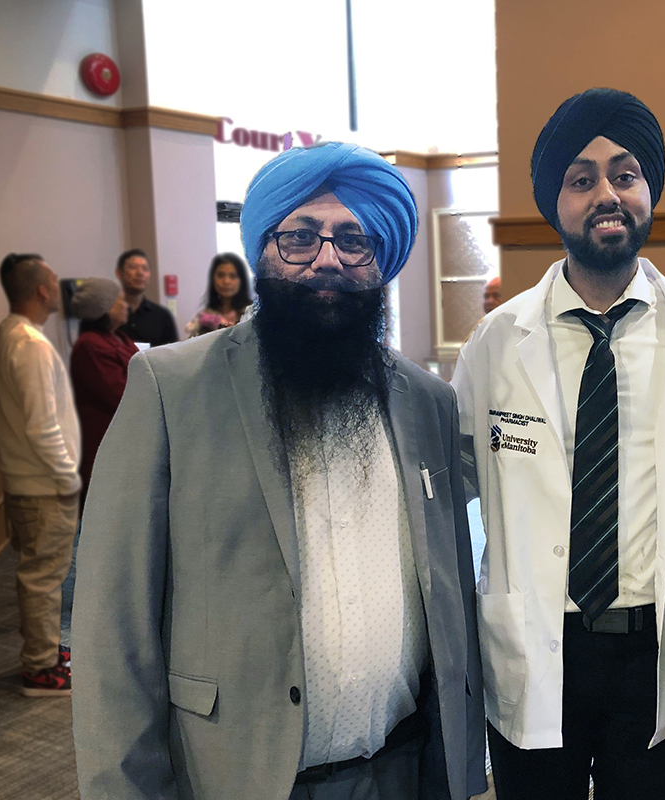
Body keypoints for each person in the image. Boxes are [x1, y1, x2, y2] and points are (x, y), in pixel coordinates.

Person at [71, 143, 487, 800]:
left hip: (406, 771)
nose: (328, 258)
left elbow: (452, 597)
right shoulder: (171, 389)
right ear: (263, 250)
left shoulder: (428, 403)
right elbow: (111, 626)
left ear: (382, 261)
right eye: (300, 238)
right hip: (240, 777)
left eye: (355, 240)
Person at [452, 88, 665, 800]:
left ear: (650, 189)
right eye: (580, 180)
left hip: (655, 646)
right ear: (556, 202)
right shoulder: (497, 342)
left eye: (625, 174)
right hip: (534, 642)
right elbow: (457, 481)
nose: (606, 194)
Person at [0, 252, 80, 697]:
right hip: (44, 485)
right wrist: (68, 479)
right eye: (53, 277)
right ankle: (40, 668)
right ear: (42, 290)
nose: (58, 284)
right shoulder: (30, 344)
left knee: (39, 572)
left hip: (29, 480)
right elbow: (41, 424)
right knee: (44, 576)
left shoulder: (11, 333)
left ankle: (43, 653)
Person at [68, 278, 137, 503]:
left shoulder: (120, 337)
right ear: (103, 309)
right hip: (106, 446)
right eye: (119, 300)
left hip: (128, 441)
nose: (125, 304)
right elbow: (121, 393)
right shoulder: (89, 346)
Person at [114, 248, 179, 347]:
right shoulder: (108, 314)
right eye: (133, 267)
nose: (140, 273)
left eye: (145, 268)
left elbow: (172, 355)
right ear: (119, 273)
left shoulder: (162, 316)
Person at [184, 252, 254, 337]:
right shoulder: (205, 317)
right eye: (220, 275)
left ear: (241, 281)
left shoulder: (252, 313)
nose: (226, 281)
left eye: (232, 276)